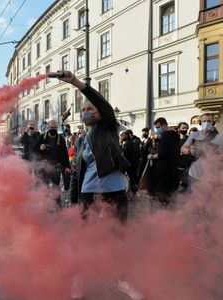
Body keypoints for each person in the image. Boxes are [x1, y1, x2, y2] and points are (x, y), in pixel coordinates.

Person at [49, 70, 143, 300]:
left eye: (91, 108)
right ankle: (80, 277)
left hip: (114, 191)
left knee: (117, 235)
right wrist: (73, 202)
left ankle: (120, 278)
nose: (86, 111)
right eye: (83, 109)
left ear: (101, 114)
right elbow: (76, 175)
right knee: (84, 236)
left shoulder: (109, 128)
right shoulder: (80, 140)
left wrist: (77, 83)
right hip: (88, 194)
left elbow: (104, 105)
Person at [181, 113, 223, 190]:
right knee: (192, 200)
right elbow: (183, 149)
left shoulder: (220, 138)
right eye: (204, 121)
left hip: (210, 177)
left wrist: (212, 156)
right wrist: (189, 150)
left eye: (209, 121)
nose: (206, 123)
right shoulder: (194, 135)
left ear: (213, 123)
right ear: (200, 123)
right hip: (193, 176)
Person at [35, 120, 70, 207]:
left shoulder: (60, 139)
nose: (53, 129)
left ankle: (58, 205)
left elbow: (65, 154)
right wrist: (40, 147)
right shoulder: (42, 137)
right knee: (44, 187)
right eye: (51, 128)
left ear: (57, 128)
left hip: (56, 167)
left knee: (56, 187)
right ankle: (44, 205)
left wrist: (67, 166)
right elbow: (34, 150)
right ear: (48, 128)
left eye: (55, 128)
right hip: (44, 166)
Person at [147, 117, 180, 206]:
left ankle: (165, 209)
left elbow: (162, 154)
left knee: (163, 191)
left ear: (164, 125)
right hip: (173, 167)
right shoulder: (175, 134)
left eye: (158, 127)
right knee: (170, 192)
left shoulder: (165, 136)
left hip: (164, 168)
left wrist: (152, 156)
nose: (157, 130)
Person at [177, 122, 190, 191]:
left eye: (186, 128)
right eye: (183, 128)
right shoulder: (175, 139)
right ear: (179, 129)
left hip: (187, 164)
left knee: (185, 184)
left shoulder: (189, 139)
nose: (185, 129)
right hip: (177, 164)